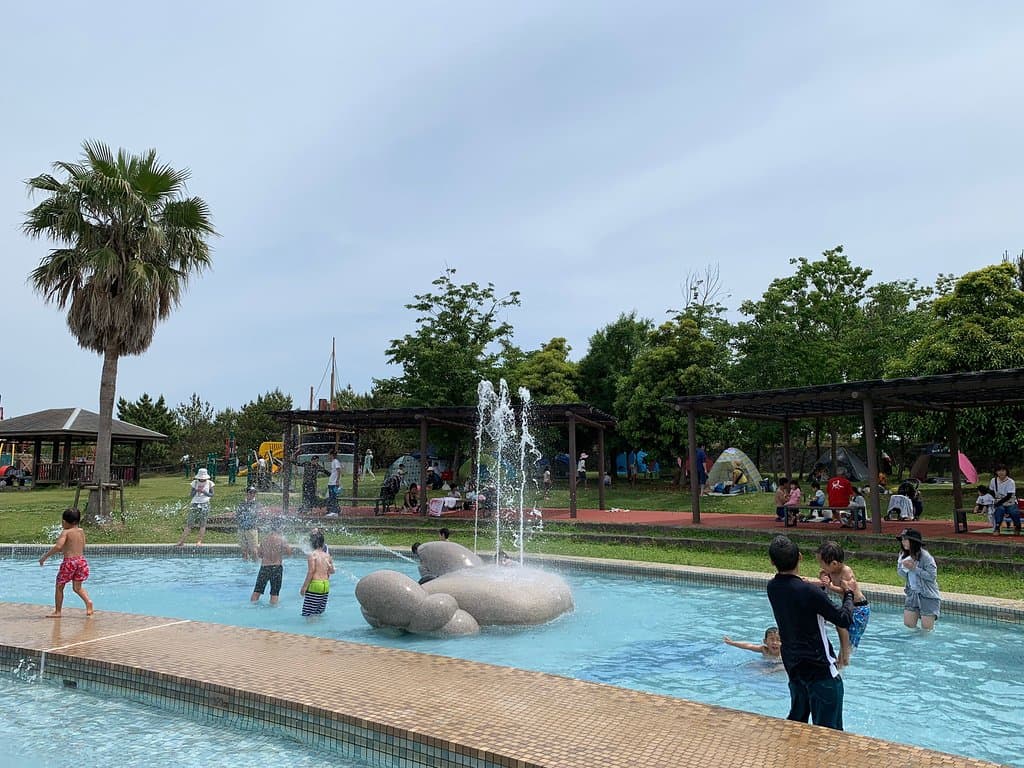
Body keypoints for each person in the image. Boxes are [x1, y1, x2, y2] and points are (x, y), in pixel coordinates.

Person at [766, 535, 856, 730]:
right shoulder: (809, 592)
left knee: (797, 728)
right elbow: (843, 619)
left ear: (772, 562)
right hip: (820, 671)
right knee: (829, 734)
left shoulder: (772, 587)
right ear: (800, 557)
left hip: (794, 668)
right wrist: (849, 594)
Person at [816, 541, 870, 668]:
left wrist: (830, 586)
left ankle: (844, 659)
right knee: (840, 627)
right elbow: (824, 580)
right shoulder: (831, 571)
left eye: (822, 564)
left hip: (860, 609)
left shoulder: (846, 572)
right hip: (851, 608)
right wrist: (822, 577)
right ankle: (842, 661)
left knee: (845, 631)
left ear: (834, 563)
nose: (821, 567)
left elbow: (847, 591)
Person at [38, 507, 94, 617]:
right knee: (77, 588)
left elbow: (58, 547)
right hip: (81, 561)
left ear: (64, 521)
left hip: (69, 563)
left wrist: (45, 557)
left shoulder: (66, 532)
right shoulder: (81, 531)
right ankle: (89, 603)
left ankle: (58, 612)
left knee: (59, 586)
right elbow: (82, 545)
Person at [897, 528, 940, 630]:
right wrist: (903, 567)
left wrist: (914, 568)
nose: (903, 542)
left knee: (926, 629)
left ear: (913, 542)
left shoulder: (926, 557)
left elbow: (932, 576)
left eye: (905, 539)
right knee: (908, 624)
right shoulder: (903, 555)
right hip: (912, 593)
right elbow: (901, 573)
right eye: (902, 540)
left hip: (927, 595)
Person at [250, 524, 293, 605]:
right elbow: (289, 553)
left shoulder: (264, 539)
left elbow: (259, 555)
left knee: (256, 592)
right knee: (274, 593)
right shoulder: (281, 540)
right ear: (279, 529)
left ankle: (251, 608)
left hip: (264, 567)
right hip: (276, 568)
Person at [299, 529, 335, 617]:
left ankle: (309, 630)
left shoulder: (313, 555)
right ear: (323, 544)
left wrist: (304, 587)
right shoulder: (327, 556)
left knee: (308, 614)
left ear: (311, 543)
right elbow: (332, 571)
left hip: (316, 585)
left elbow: (311, 571)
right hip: (325, 585)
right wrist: (329, 567)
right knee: (319, 612)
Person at [177, 468, 214, 546]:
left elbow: (212, 495)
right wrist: (196, 490)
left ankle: (199, 541)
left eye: (203, 478)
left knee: (203, 524)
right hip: (195, 503)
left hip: (205, 504)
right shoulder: (195, 482)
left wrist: (204, 492)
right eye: (201, 478)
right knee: (189, 523)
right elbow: (191, 495)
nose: (202, 479)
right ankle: (182, 541)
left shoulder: (210, 483)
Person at [989, 464, 1020, 535]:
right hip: (999, 500)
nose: (1001, 472)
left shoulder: (1011, 481)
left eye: (1003, 470)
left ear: (1006, 471)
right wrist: (995, 500)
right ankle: (997, 528)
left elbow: (1009, 496)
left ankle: (1017, 526)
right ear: (996, 472)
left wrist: (998, 503)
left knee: (1013, 511)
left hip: (1010, 501)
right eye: (999, 470)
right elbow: (991, 491)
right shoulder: (993, 480)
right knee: (1000, 510)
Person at [235, 486, 261, 560]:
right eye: (251, 492)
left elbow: (256, 514)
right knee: (244, 551)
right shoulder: (242, 504)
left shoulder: (256, 504)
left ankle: (255, 565)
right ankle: (245, 567)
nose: (252, 494)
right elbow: (238, 515)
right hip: (241, 529)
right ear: (246, 493)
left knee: (254, 550)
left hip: (251, 529)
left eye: (254, 493)